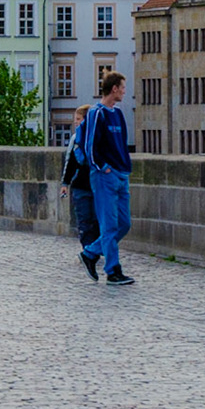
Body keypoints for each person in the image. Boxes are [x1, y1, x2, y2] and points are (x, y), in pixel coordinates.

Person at [79, 71, 134, 286]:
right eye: (122, 87)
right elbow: (90, 145)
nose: (124, 91)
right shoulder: (96, 113)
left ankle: (91, 252)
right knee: (110, 225)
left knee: (124, 223)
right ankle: (113, 270)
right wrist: (103, 168)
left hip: (121, 174)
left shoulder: (118, 114)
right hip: (105, 176)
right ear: (114, 89)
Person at [58, 105, 99, 264]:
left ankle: (92, 249)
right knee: (84, 221)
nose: (76, 123)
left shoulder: (96, 137)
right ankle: (88, 251)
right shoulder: (77, 139)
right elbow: (71, 162)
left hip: (96, 186)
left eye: (78, 119)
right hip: (80, 186)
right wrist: (65, 183)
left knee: (96, 221)